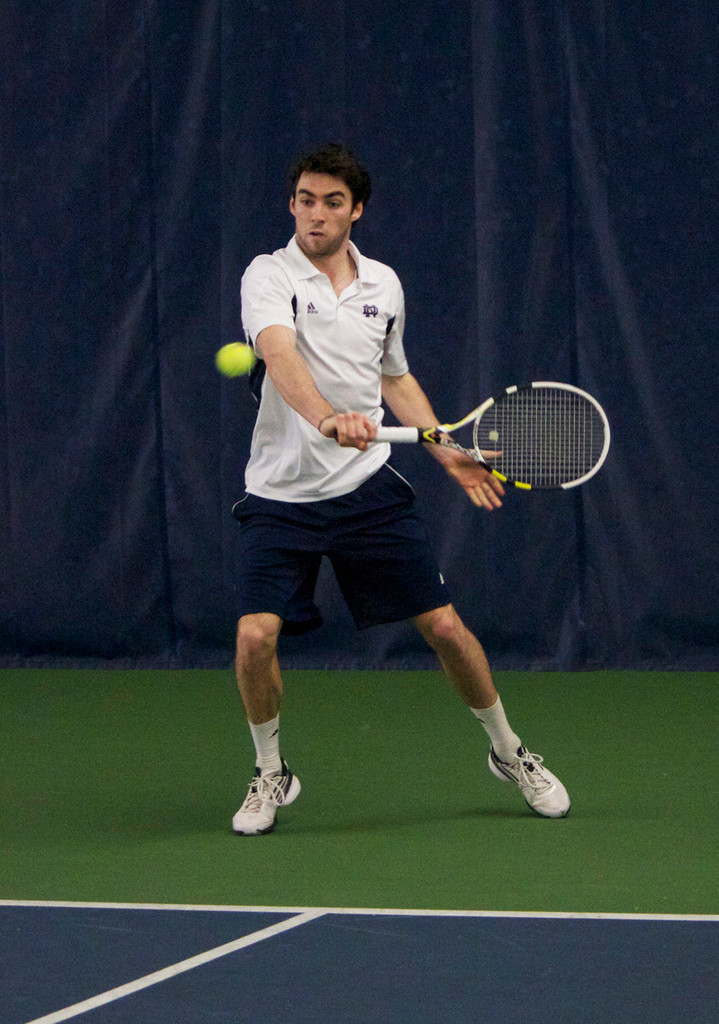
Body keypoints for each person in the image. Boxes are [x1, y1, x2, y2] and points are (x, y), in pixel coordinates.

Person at [231, 143, 569, 835]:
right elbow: (278, 353)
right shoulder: (268, 275)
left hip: (364, 490)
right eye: (304, 199)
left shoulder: (383, 284)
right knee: (254, 637)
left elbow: (393, 378)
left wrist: (447, 450)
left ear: (356, 209)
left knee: (445, 627)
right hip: (280, 495)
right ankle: (271, 771)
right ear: (291, 203)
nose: (314, 213)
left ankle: (509, 752)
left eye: (330, 202)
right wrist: (326, 417)